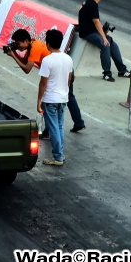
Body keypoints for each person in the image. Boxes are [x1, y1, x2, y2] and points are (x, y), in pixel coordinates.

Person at [6, 29, 86, 137]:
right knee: (62, 97)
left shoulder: (35, 48)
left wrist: (13, 55)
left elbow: (27, 69)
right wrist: (14, 52)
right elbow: (25, 62)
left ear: (26, 41)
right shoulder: (32, 45)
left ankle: (64, 127)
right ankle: (75, 123)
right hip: (57, 70)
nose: (17, 46)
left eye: (18, 43)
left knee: (57, 99)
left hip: (60, 71)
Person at [77, 0, 130, 82]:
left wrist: (104, 31)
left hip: (92, 30)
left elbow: (89, 18)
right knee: (105, 45)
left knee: (113, 44)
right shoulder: (92, 5)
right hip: (87, 32)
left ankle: (122, 70)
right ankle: (107, 73)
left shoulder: (88, 2)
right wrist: (104, 37)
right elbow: (96, 22)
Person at [38, 29, 74, 166]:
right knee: (59, 127)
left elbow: (43, 83)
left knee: (53, 128)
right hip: (63, 98)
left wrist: (39, 100)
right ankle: (60, 153)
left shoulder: (47, 60)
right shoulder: (68, 59)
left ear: (47, 44)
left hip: (50, 99)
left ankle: (57, 156)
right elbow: (69, 80)